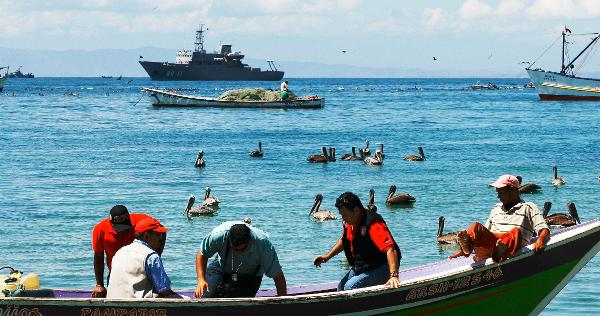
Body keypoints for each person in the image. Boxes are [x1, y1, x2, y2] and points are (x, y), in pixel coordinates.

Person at [449, 174, 550, 263]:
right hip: (493, 245)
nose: (498, 197)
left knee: (514, 232)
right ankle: (467, 249)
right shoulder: (496, 208)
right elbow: (485, 233)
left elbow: (544, 228)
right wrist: (464, 248)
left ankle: (501, 250)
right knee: (476, 226)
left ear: (513, 191)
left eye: (500, 193)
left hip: (510, 245)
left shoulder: (528, 207)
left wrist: (540, 240)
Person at [314, 192, 402, 291]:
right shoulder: (350, 222)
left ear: (356, 210)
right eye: (342, 215)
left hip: (383, 266)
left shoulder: (373, 224)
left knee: (350, 287)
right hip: (365, 265)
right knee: (341, 287)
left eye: (345, 215)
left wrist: (394, 275)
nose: (343, 219)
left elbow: (390, 249)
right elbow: (345, 240)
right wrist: (327, 256)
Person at [194, 221, 287, 298]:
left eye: (242, 249)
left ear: (250, 240)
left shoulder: (263, 245)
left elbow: (278, 277)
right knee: (205, 297)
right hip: (221, 267)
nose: (238, 252)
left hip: (250, 275)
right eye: (234, 249)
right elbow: (201, 254)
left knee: (240, 304)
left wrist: (282, 304)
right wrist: (201, 280)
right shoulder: (218, 236)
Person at [106, 216, 181, 298]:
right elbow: (163, 290)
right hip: (138, 305)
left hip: (112, 300)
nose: (161, 238)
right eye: (158, 234)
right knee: (184, 299)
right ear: (146, 236)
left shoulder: (120, 252)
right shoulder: (151, 256)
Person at [91, 205, 151, 298]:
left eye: (125, 227)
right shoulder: (100, 229)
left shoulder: (141, 220)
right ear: (111, 222)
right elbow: (98, 256)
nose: (123, 231)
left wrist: (156, 254)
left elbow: (161, 232)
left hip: (141, 272)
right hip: (116, 272)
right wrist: (99, 285)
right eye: (119, 228)